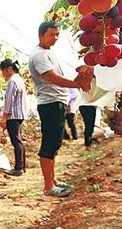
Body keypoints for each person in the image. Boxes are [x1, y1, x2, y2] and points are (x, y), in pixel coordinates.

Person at [28, 21, 90, 198]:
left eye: (57, 35)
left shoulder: (47, 53)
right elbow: (52, 77)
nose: (55, 38)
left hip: (56, 102)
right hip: (50, 103)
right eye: (51, 35)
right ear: (41, 35)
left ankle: (53, 181)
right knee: (49, 144)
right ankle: (48, 186)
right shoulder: (39, 56)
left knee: (54, 143)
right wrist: (77, 84)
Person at [0, 58, 26, 176]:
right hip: (19, 114)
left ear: (9, 69)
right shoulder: (19, 80)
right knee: (18, 140)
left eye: (3, 71)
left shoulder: (12, 82)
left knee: (16, 141)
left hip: (13, 115)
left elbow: (9, 101)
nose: (2, 74)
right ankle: (22, 166)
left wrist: (4, 118)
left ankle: (18, 168)